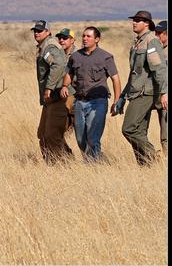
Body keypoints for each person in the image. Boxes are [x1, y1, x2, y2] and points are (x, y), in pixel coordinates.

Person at [59, 26, 121, 162]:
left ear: (97, 39)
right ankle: (101, 160)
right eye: (83, 36)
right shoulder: (75, 56)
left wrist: (117, 101)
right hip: (80, 102)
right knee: (81, 138)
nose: (85, 39)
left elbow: (115, 79)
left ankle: (94, 167)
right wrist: (64, 86)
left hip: (98, 102)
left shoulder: (106, 57)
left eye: (89, 36)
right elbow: (69, 73)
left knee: (93, 137)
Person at [115, 11, 168, 166]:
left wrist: (164, 92)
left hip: (146, 92)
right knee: (139, 131)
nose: (134, 22)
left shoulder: (151, 41)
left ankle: (153, 157)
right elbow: (134, 74)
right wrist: (123, 96)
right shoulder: (137, 42)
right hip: (136, 91)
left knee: (129, 128)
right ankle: (145, 167)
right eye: (134, 20)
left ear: (147, 24)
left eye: (138, 20)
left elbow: (159, 68)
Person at [32, 20, 73, 163]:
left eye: (40, 30)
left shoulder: (49, 47)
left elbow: (58, 64)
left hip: (57, 95)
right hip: (51, 98)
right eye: (35, 30)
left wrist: (48, 87)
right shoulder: (44, 46)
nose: (36, 33)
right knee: (43, 134)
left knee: (51, 134)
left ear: (48, 32)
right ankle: (53, 163)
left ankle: (61, 165)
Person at [56, 28, 77, 131]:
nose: (61, 40)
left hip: (75, 94)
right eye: (60, 38)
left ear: (72, 40)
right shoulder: (59, 54)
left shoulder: (78, 55)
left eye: (65, 38)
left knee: (76, 124)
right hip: (64, 93)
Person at [154, 20, 168, 156]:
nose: (156, 36)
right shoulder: (158, 50)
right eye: (155, 33)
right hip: (160, 97)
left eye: (159, 33)